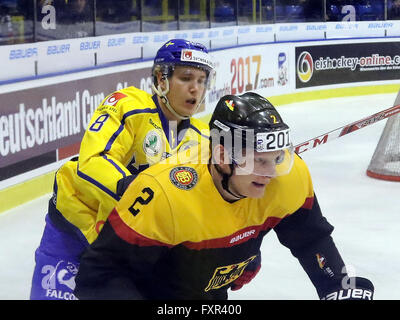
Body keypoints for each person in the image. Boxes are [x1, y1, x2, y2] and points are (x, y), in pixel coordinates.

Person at [74, 92, 374, 300]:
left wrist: (337, 285)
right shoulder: (164, 193)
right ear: (221, 155)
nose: (270, 172)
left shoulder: (288, 178)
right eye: (257, 159)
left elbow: (311, 239)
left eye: (276, 157)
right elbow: (98, 276)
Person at [30, 39, 217, 300]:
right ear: (161, 79)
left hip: (124, 241)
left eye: (202, 80)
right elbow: (93, 160)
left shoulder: (201, 138)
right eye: (186, 78)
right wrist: (142, 194)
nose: (195, 89)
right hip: (75, 225)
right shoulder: (128, 105)